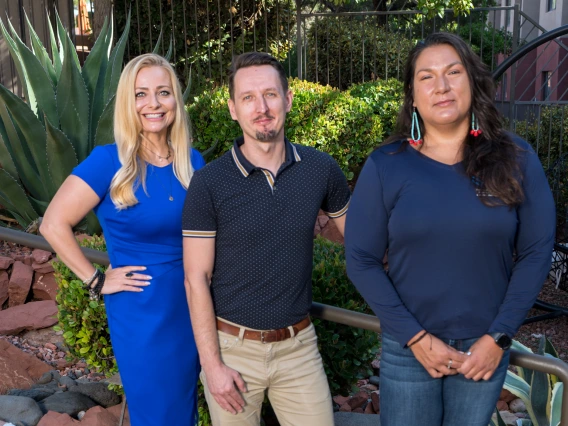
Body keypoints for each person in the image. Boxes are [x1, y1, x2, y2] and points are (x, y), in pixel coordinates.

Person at [345, 32, 555, 426]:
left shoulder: (517, 158)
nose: (441, 87)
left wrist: (499, 338)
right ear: (412, 93)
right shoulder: (387, 165)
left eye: (453, 72)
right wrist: (415, 338)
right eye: (427, 77)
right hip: (409, 350)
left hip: (484, 350)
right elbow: (360, 259)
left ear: (473, 82)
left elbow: (535, 253)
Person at [181, 52, 351, 426]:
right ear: (232, 109)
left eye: (271, 95)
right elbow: (195, 279)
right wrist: (212, 366)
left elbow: (361, 242)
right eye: (248, 98)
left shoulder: (321, 170)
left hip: (299, 349)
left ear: (288, 99)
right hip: (231, 350)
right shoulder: (209, 183)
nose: (261, 107)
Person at [40, 53, 205, 426]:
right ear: (128, 103)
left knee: (184, 407)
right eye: (140, 94)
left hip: (192, 303)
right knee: (158, 412)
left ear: (175, 100)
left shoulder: (192, 162)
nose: (153, 104)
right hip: (141, 309)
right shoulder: (108, 161)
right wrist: (96, 279)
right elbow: (53, 223)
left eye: (163, 92)